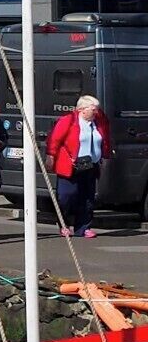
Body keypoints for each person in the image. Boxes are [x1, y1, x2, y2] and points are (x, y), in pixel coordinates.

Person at [46, 94, 110, 238]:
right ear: (82, 109)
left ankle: (84, 227)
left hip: (91, 165)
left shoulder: (98, 122)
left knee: (87, 198)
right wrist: (50, 156)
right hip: (71, 165)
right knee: (66, 196)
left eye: (97, 109)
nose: (96, 112)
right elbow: (55, 139)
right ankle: (64, 224)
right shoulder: (69, 121)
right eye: (93, 109)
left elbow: (105, 139)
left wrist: (104, 158)